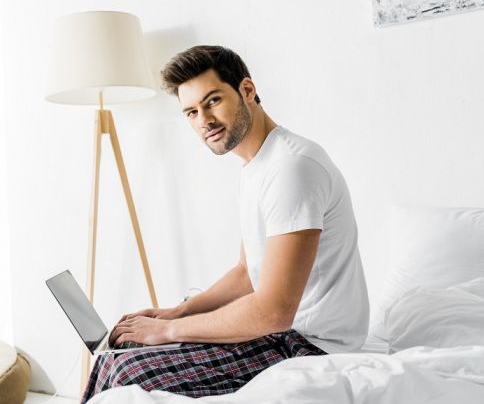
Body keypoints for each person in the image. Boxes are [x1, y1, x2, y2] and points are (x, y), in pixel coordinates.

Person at [81, 45, 369, 402]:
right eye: (191, 112)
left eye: (213, 101)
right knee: (116, 358)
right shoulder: (256, 167)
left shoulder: (292, 168)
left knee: (130, 373)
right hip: (278, 335)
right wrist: (176, 313)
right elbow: (247, 273)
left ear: (247, 90)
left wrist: (168, 330)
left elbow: (275, 312)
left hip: (309, 346)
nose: (204, 120)